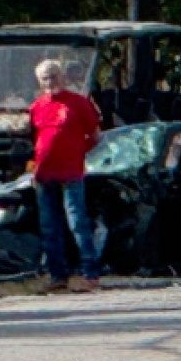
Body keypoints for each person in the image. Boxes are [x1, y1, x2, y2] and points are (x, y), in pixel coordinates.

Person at [28, 59, 103, 294]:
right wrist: (33, 168)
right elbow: (33, 141)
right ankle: (57, 275)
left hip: (71, 172)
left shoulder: (78, 103)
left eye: (53, 76)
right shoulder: (36, 107)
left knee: (77, 223)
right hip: (44, 174)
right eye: (45, 78)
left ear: (62, 77)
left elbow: (96, 136)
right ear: (40, 82)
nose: (50, 82)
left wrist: (77, 152)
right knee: (49, 226)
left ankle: (90, 274)